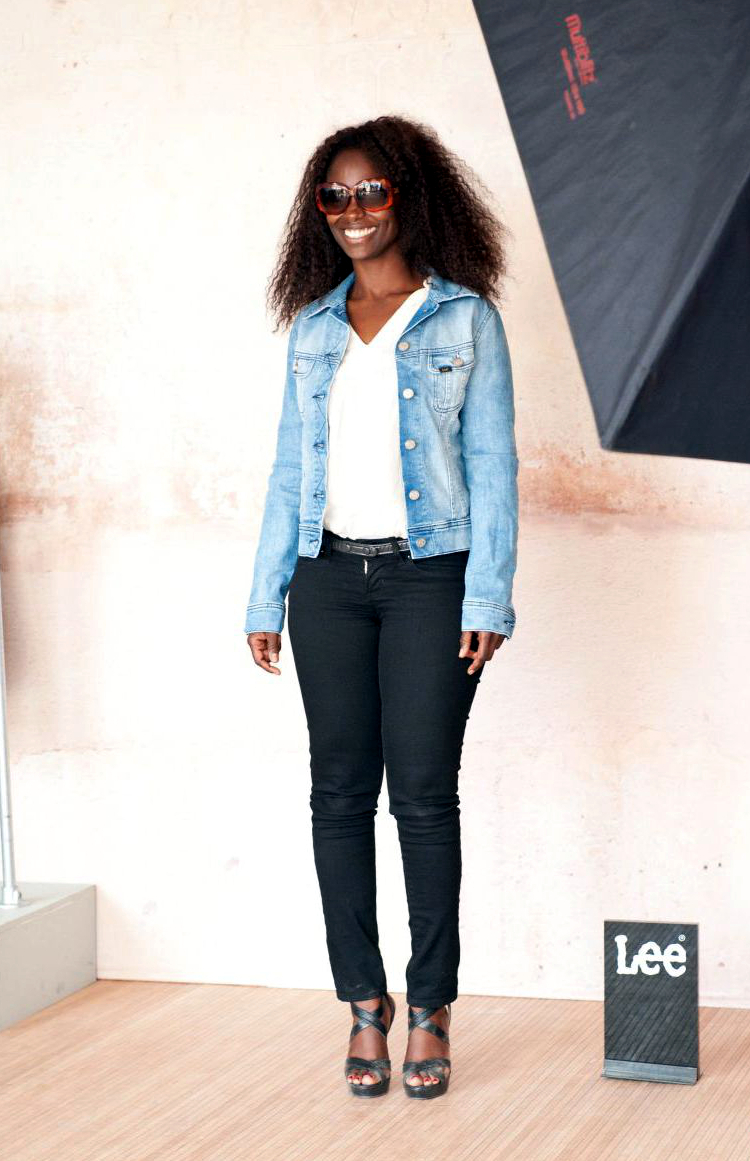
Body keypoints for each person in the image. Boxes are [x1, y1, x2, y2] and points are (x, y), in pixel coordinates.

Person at [244, 114, 518, 1100]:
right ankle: (365, 1003)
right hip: (326, 581)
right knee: (338, 794)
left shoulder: (464, 320)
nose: (353, 211)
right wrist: (267, 590)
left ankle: (432, 1003)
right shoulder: (314, 327)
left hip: (429, 579)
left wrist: (488, 592)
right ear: (316, 211)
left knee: (425, 797)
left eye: (371, 191)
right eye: (334, 195)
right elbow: (290, 471)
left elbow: (493, 466)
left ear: (408, 195)